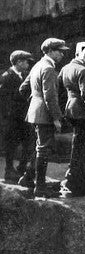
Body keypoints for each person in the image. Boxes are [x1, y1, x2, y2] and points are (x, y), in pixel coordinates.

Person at [19, 37, 72, 196]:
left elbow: (23, 88)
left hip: (36, 112)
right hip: (45, 114)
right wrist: (56, 118)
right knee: (44, 149)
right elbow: (50, 96)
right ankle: (40, 187)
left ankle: (28, 177)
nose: (62, 54)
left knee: (40, 146)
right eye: (59, 51)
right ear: (49, 51)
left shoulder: (37, 65)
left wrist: (35, 102)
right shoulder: (48, 68)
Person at [58, 44, 85, 170]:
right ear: (84, 55)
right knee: (81, 140)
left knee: (77, 138)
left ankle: (74, 166)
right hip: (81, 109)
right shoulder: (83, 70)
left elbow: (59, 89)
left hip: (70, 108)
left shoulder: (65, 68)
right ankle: (76, 168)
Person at [1, 50, 35, 183]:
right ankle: (9, 171)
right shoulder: (6, 76)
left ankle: (21, 168)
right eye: (26, 61)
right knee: (11, 144)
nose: (28, 64)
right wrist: (6, 117)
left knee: (28, 142)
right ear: (19, 62)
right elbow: (3, 100)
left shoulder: (24, 74)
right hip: (11, 118)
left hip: (23, 117)